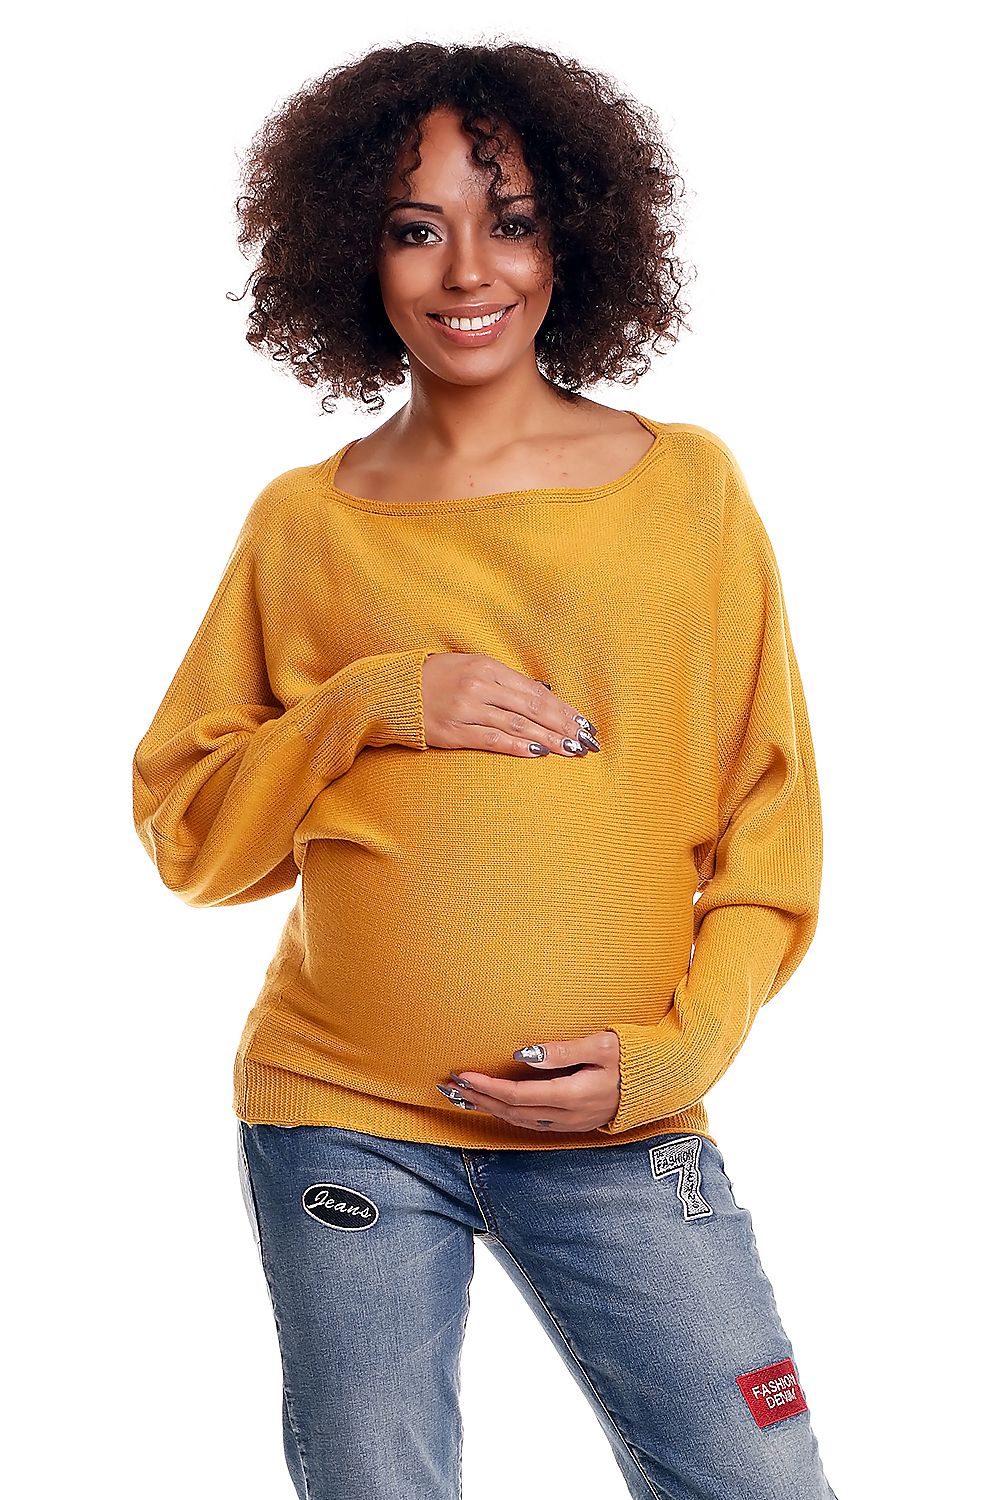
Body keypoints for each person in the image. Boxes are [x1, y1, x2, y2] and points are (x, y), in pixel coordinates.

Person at [132, 39, 839, 1500]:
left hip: (616, 1119)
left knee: (759, 1481)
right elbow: (192, 834)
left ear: (576, 237)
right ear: (357, 256)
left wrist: (674, 1058)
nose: (468, 270)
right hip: (339, 1114)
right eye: (416, 227)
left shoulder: (685, 490)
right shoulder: (303, 525)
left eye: (509, 218)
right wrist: (377, 701)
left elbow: (773, 827)